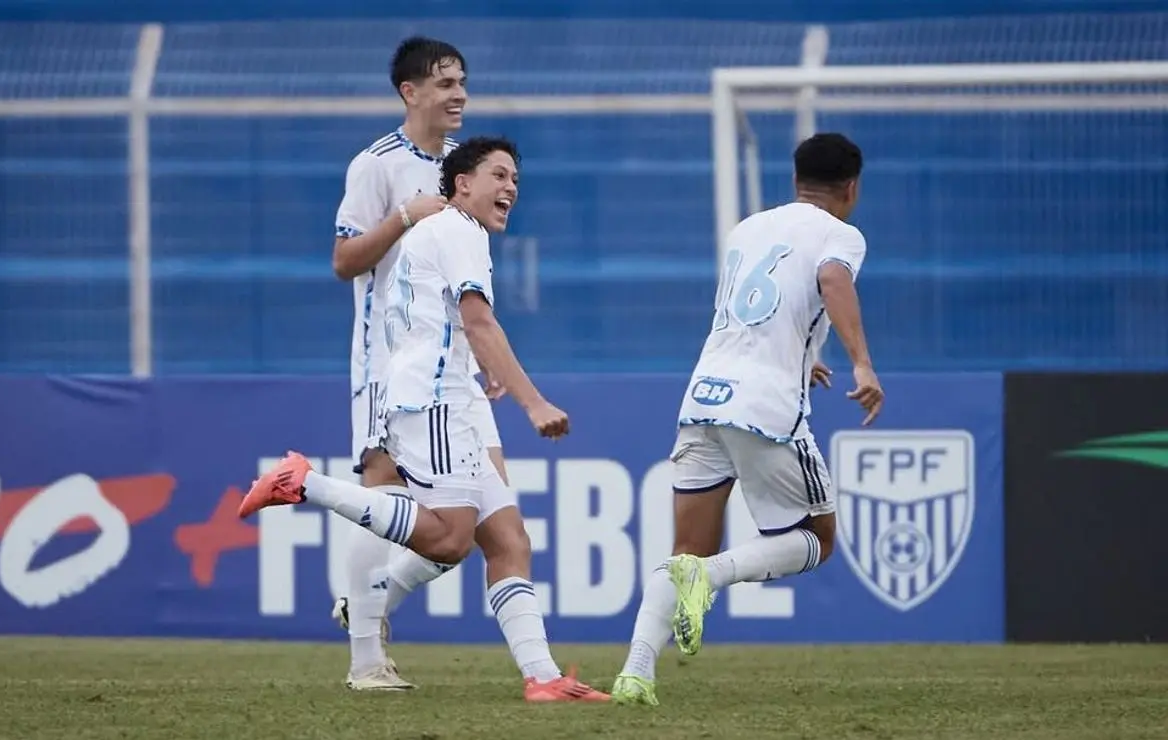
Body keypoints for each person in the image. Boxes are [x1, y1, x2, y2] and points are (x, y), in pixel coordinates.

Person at [243, 136, 609, 703]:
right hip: (434, 402)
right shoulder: (459, 229)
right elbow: (479, 321)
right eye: (499, 175)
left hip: (446, 394)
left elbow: (449, 325)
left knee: (508, 540)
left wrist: (477, 365)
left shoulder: (443, 233)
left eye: (516, 179)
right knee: (449, 541)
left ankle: (543, 677)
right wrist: (532, 401)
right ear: (462, 183)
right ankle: (304, 483)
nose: (511, 187)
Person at [610, 133, 884, 706]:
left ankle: (636, 674)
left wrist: (802, 357)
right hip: (765, 407)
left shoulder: (748, 227)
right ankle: (708, 580)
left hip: (703, 397)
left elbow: (749, 310)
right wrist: (861, 363)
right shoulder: (841, 235)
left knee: (687, 547)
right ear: (852, 187)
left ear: (794, 180)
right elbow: (832, 281)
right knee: (816, 536)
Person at [328, 36, 518, 692]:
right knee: (384, 491)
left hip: (456, 372)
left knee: (477, 518)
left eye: (462, 80)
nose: (458, 93)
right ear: (411, 93)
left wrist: (484, 357)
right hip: (390, 364)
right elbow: (344, 260)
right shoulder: (377, 166)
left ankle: (371, 603)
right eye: (444, 83)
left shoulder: (465, 171)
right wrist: (407, 215)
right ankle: (364, 660)